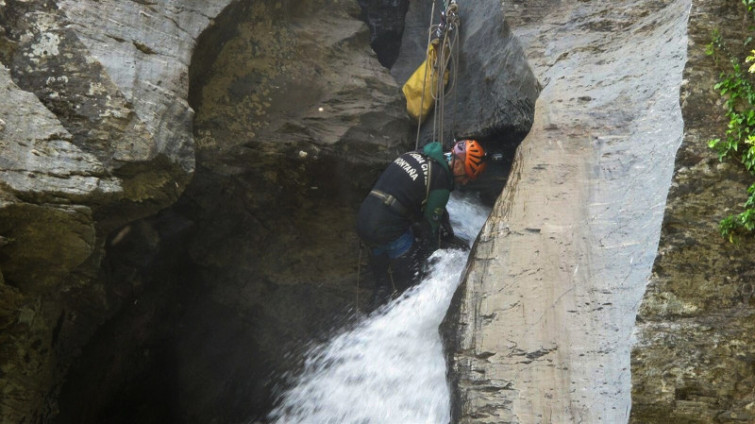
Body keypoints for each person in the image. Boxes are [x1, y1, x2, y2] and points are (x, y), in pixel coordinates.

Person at [356, 139, 487, 310]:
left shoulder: (417, 154)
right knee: (412, 282)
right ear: (459, 167)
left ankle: (379, 296)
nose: (465, 182)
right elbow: (430, 229)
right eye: (467, 177)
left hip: (364, 220)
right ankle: (406, 308)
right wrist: (432, 261)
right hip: (387, 230)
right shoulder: (440, 181)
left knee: (383, 286)